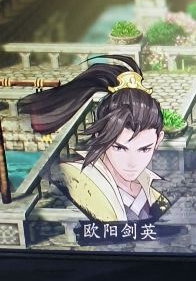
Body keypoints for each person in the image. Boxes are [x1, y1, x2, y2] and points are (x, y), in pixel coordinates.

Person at [19, 55, 169, 223]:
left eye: (144, 149)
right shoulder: (77, 180)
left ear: (158, 140)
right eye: (119, 148)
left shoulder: (153, 194)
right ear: (100, 136)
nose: (132, 163)